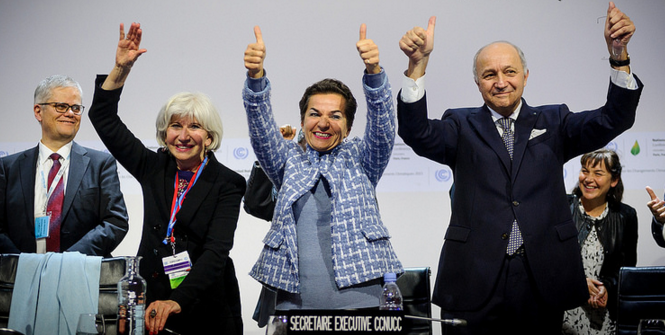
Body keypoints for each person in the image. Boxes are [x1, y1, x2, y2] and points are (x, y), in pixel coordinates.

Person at [396, 2, 642, 334]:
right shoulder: (460, 125)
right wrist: (417, 67)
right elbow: (417, 133)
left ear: (525, 76)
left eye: (509, 72)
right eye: (489, 74)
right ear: (477, 82)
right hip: (474, 276)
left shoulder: (555, 121)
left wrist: (619, 56)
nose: (500, 82)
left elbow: (615, 117)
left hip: (542, 277)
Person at [88, 23, 245, 334]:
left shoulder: (228, 182)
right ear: (164, 132)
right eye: (175, 126)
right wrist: (121, 69)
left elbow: (216, 252)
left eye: (194, 127)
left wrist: (178, 300)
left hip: (205, 305)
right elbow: (103, 118)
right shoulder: (152, 166)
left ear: (210, 137)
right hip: (151, 301)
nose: (183, 136)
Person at [243, 24, 402, 311]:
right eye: (314, 114)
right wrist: (256, 79)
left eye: (335, 115)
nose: (323, 123)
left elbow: (383, 129)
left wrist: (375, 74)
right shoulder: (287, 160)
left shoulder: (362, 159)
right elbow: (261, 131)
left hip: (360, 304)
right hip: (293, 306)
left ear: (349, 125)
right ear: (302, 120)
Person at [0, 74, 128, 257]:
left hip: (79, 273)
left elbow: (116, 221)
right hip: (21, 277)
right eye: (61, 106)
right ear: (38, 111)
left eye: (76, 108)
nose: (70, 113)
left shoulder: (100, 164)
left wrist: (69, 261)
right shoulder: (8, 167)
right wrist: (22, 264)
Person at [562, 149, 637, 334]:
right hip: (563, 314)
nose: (588, 179)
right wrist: (579, 282)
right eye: (585, 171)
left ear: (614, 180)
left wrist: (606, 288)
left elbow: (626, 269)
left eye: (598, 173)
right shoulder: (562, 208)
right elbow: (547, 261)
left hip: (604, 319)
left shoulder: (626, 216)